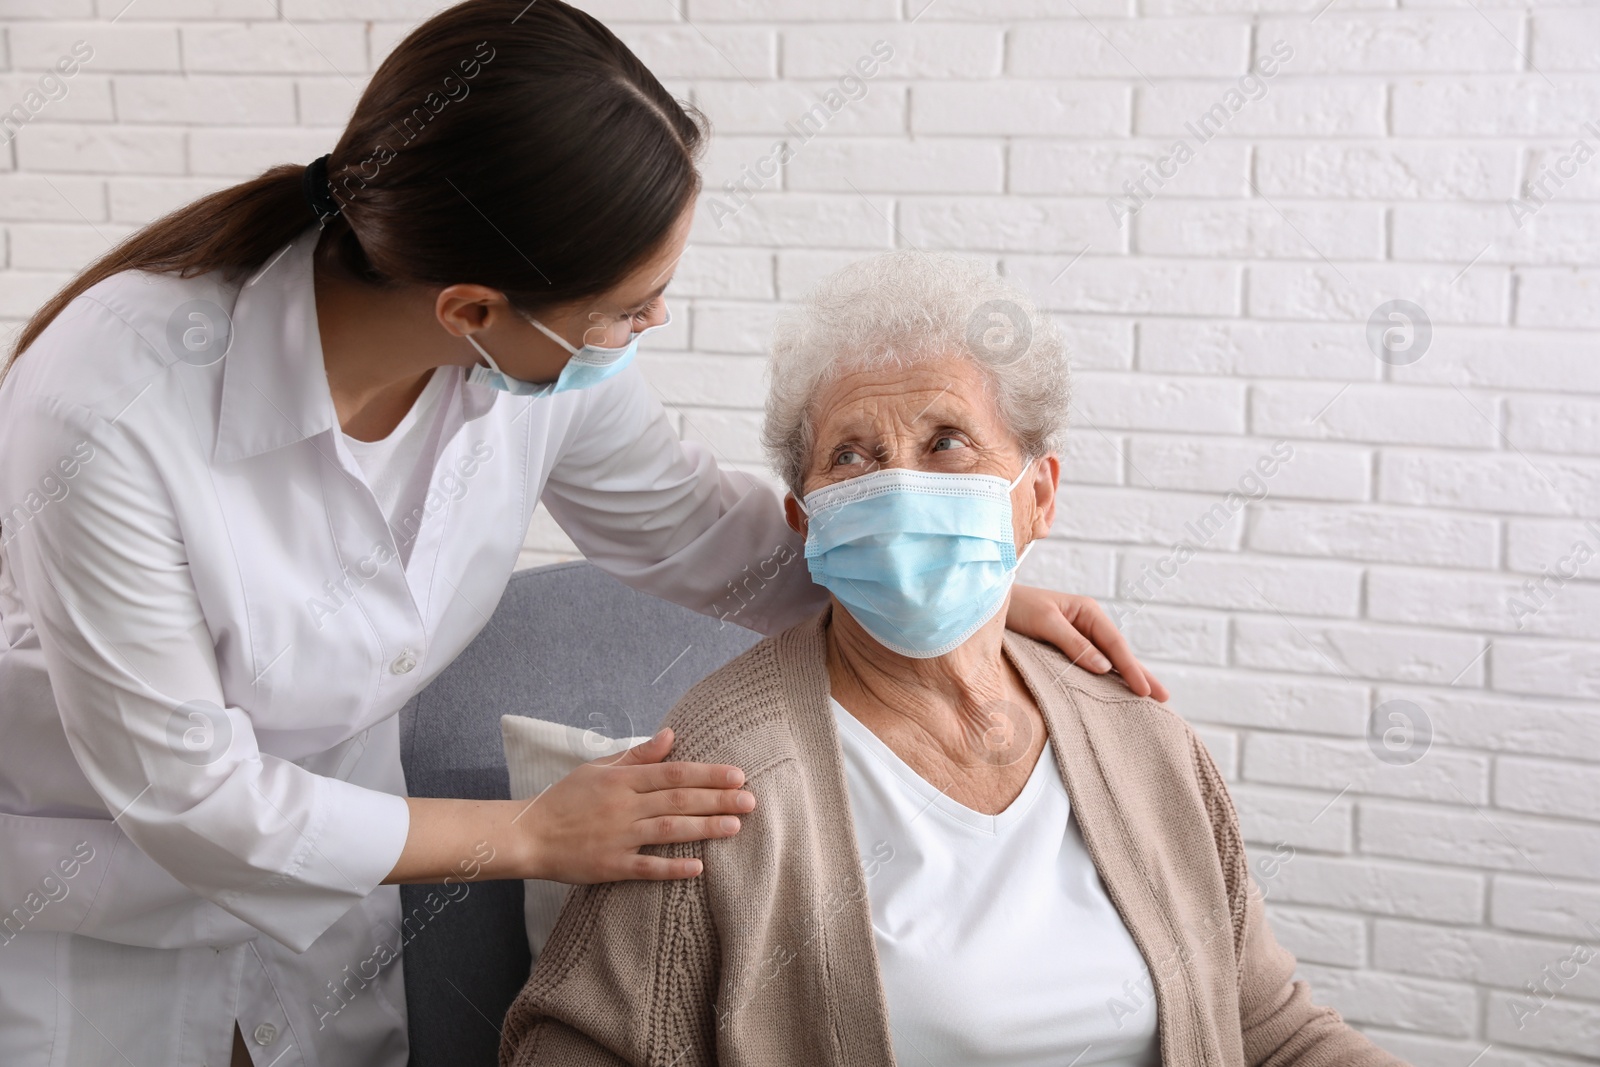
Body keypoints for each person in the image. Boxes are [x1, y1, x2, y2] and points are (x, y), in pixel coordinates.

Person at [0, 3, 1159, 1065]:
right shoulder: (104, 414)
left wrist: (945, 584)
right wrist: (531, 833)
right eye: (624, 306)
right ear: (471, 309)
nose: (650, 323)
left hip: (334, 889)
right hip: (101, 891)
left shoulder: (534, 370)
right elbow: (191, 795)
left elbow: (700, 532)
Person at [500, 252, 1406, 1067]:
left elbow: (1270, 1027)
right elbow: (566, 1047)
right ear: (805, 523)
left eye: (947, 443)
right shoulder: (726, 766)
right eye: (852, 455)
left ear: (1037, 495)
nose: (902, 484)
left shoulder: (1140, 739)